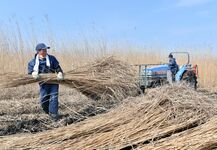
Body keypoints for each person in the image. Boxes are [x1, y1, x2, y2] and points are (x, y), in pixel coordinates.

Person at [28, 43, 64, 121]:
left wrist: (60, 73)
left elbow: (57, 67)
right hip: (43, 83)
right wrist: (33, 73)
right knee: (44, 99)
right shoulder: (33, 62)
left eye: (46, 49)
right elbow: (30, 72)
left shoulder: (51, 58)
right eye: (43, 50)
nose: (45, 51)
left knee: (54, 98)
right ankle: (48, 112)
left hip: (53, 82)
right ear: (38, 51)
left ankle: (54, 115)